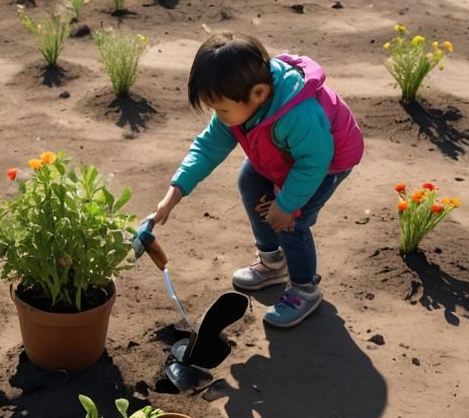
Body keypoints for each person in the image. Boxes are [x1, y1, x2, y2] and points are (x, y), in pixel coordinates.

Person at [151, 32, 364, 328]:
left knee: (291, 222)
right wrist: (175, 192)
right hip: (282, 152)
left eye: (222, 109)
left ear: (260, 93)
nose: (219, 116)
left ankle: (304, 288)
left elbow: (314, 162)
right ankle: (272, 263)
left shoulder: (298, 114)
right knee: (249, 180)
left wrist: (287, 204)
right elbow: (208, 146)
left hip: (325, 163)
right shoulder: (239, 103)